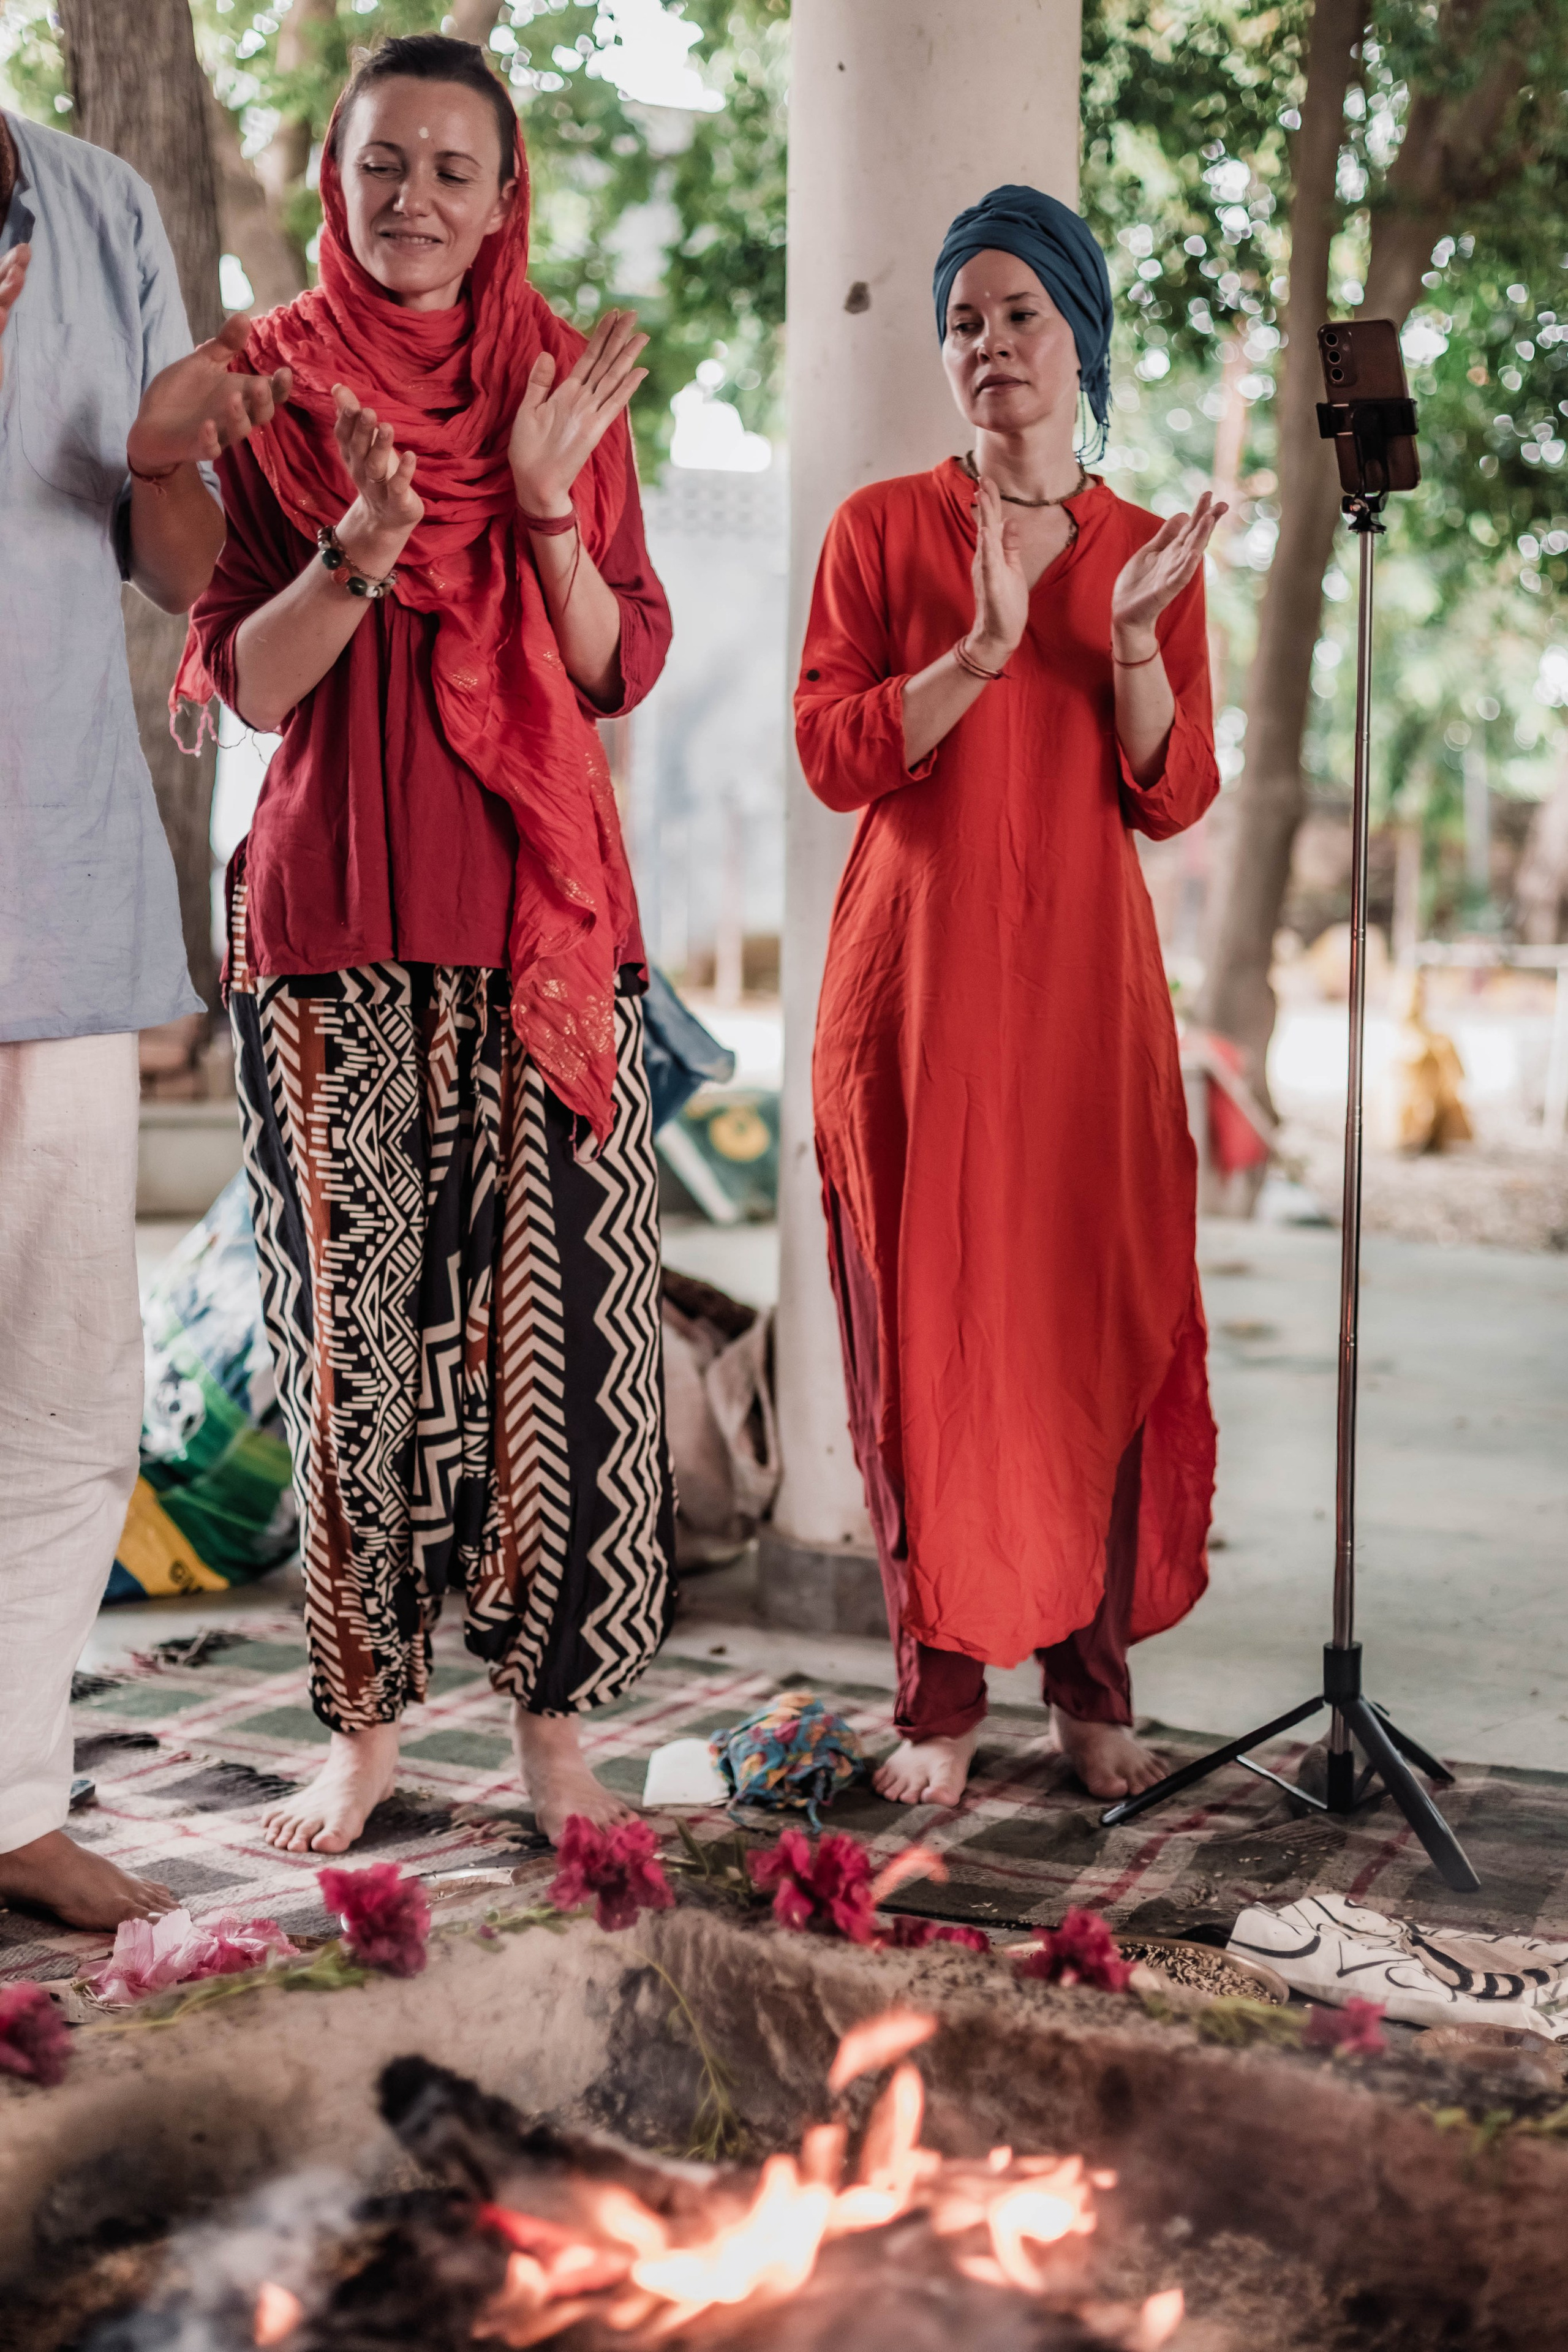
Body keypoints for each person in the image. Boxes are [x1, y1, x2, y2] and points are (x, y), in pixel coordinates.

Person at [178, 36, 677, 1855]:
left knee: (562, 1344)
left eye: (454, 169)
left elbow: (621, 663)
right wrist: (361, 552)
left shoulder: (562, 379)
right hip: (335, 926)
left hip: (541, 926)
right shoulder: (269, 387)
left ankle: (551, 1740)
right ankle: (366, 1735)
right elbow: (242, 676)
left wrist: (544, 506)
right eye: (384, 163)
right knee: (355, 1347)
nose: (415, 199)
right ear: (335, 175)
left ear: (504, 193)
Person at [795, 185, 1224, 1810]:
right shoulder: (880, 531)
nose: (989, 346)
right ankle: (939, 1697)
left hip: (1083, 1012)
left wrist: (1121, 638)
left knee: (1088, 1317)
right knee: (928, 1344)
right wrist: (976, 649)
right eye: (963, 322)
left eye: (1019, 314)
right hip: (911, 1006)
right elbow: (835, 750)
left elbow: (1172, 794)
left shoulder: (1147, 553)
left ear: (1080, 334)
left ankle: (1092, 1688)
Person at [0, 107, 287, 1926]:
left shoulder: (96, 208)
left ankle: (10, 1790)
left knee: (64, 1386)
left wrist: (173, 454)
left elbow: (178, 572)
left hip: (60, 887)